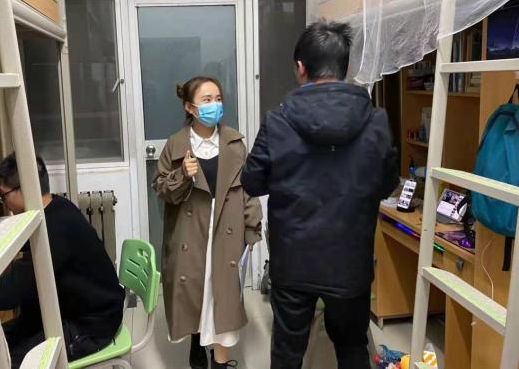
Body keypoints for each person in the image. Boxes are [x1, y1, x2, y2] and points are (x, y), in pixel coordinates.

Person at [241, 20, 399, 369]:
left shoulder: (277, 121)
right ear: (344, 67)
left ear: (301, 67)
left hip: (293, 263)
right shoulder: (376, 120)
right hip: (351, 262)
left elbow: (251, 182)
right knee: (352, 348)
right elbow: (387, 184)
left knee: (287, 353)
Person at [0, 153, 125, 368]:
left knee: (1, 361)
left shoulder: (54, 229)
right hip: (71, 311)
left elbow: (10, 295)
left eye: (4, 196)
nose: (5, 203)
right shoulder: (58, 206)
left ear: (24, 189)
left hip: (91, 325)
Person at [153, 76, 262, 369]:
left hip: (227, 228)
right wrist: (182, 174)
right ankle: (196, 343)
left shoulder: (234, 143)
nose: (214, 105)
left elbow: (248, 188)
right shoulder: (175, 144)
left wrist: (252, 229)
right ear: (190, 107)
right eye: (206, 100)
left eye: (218, 98)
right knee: (196, 290)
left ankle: (220, 362)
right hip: (191, 232)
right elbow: (161, 189)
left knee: (223, 295)